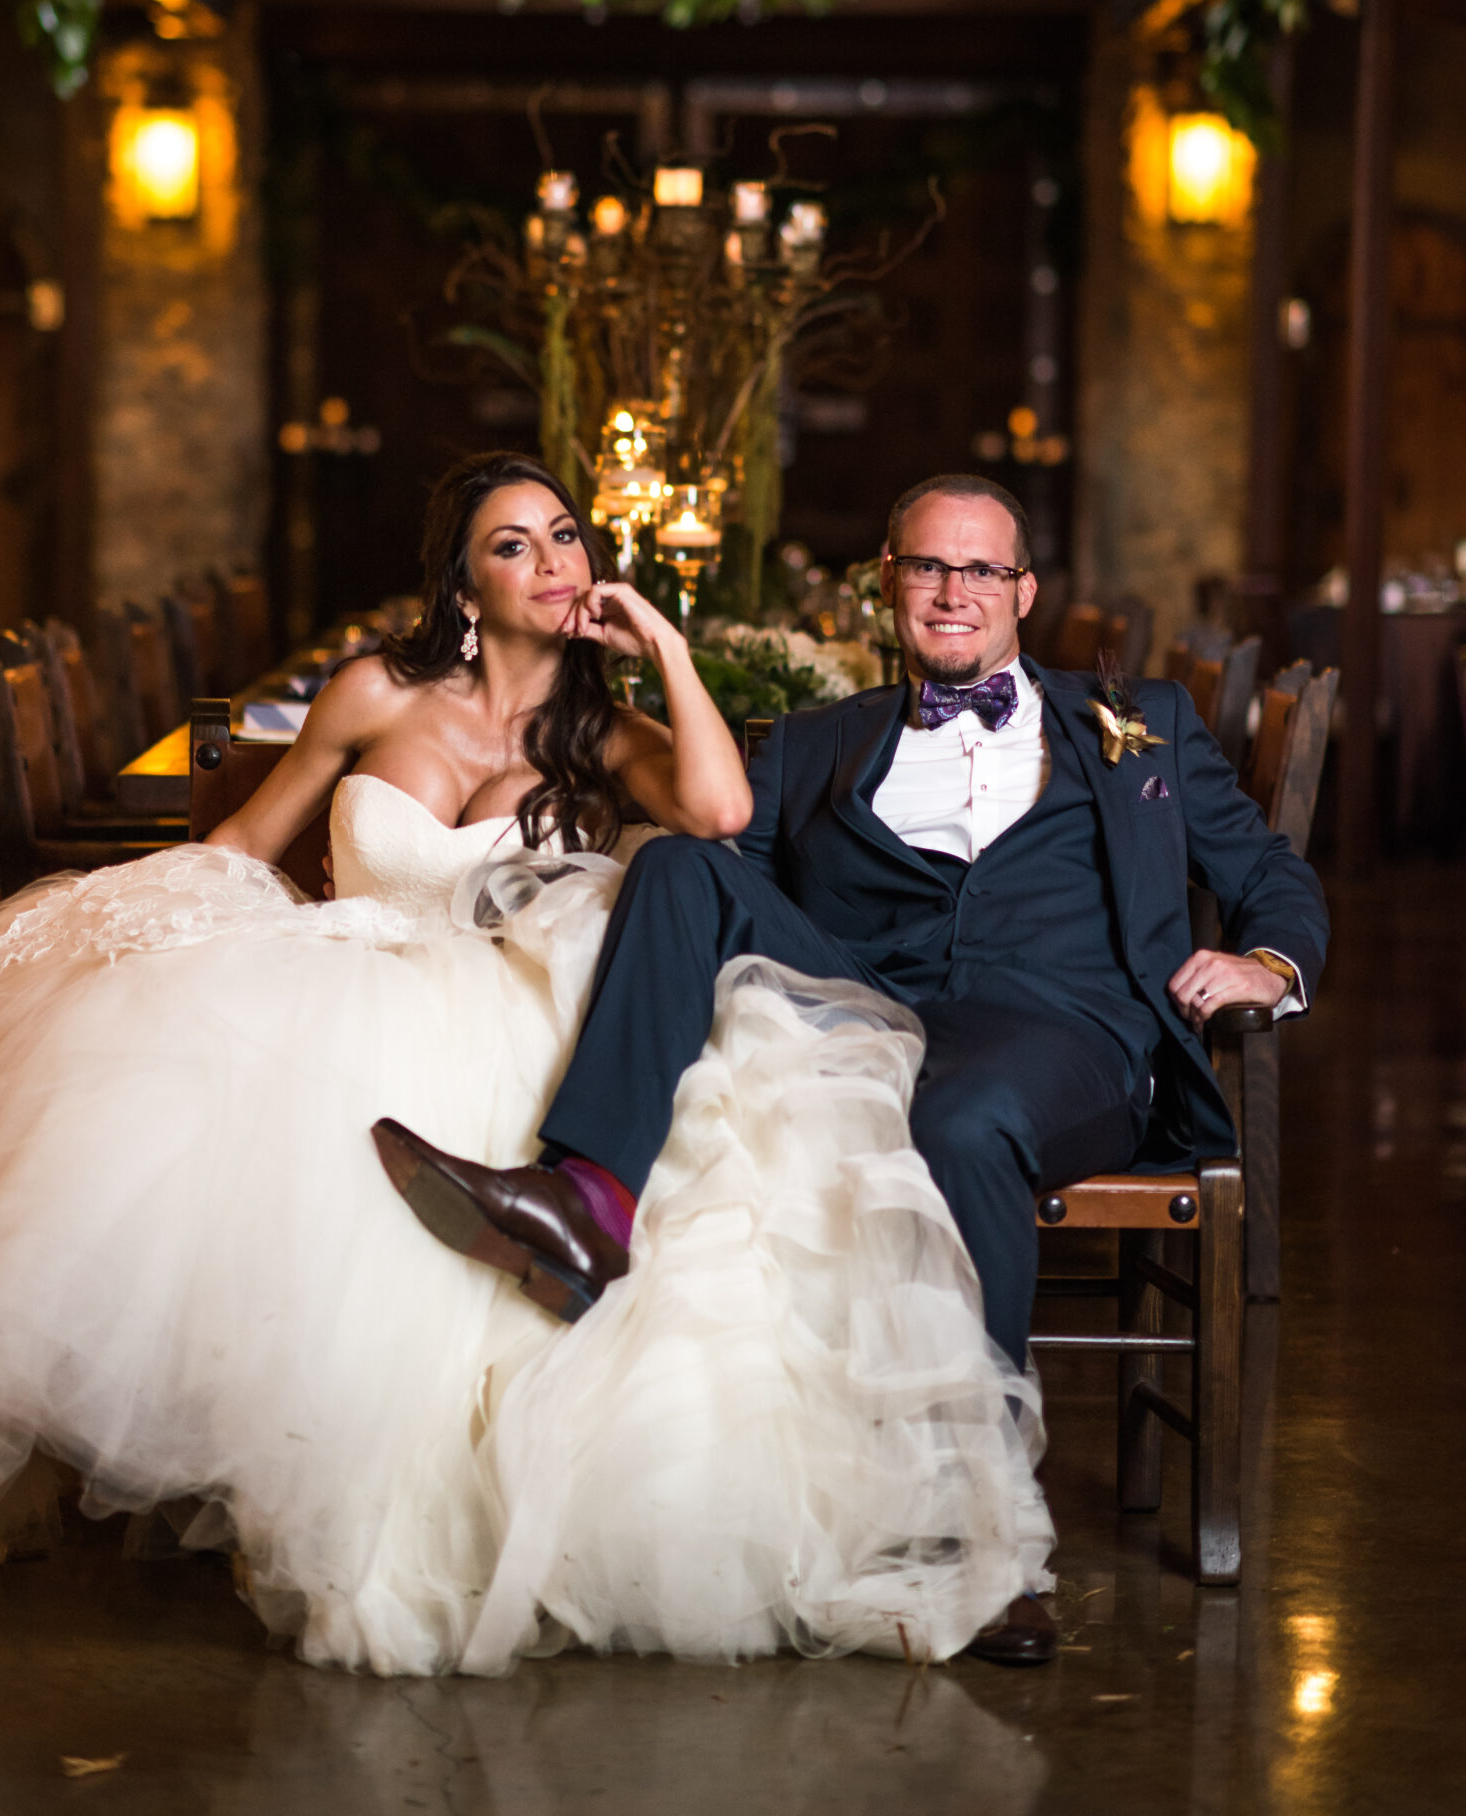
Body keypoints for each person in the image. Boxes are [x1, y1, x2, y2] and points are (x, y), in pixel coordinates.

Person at [0, 455, 1050, 1673]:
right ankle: (283, 1463)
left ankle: (474, 1463)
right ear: (463, 586)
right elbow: (246, 842)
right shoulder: (373, 691)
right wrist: (115, 937)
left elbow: (716, 813)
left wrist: (658, 643)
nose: (551, 560)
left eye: (565, 536)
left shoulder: (600, 728)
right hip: (343, 975)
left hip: (514, 1000)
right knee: (216, 1111)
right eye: (513, 544)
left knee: (528, 1145)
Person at [377, 472, 1330, 1667]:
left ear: (1023, 591)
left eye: (979, 570)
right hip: (870, 1009)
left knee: (965, 1116)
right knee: (679, 865)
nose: (951, 591)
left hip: (1069, 1033)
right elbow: (723, 887)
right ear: (885, 582)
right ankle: (586, 1197)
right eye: (926, 565)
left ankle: (977, 1539)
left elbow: (1266, 871)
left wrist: (1267, 963)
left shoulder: (1137, 721)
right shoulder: (815, 742)